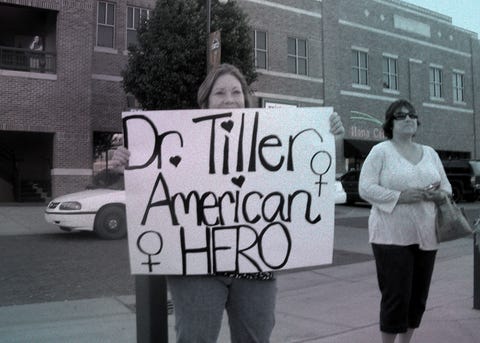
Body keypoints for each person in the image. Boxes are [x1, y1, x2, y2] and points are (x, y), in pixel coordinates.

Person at [112, 63, 345, 342]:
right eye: (219, 92)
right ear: (205, 102)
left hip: (255, 266)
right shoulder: (180, 145)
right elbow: (155, 188)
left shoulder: (272, 143)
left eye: (236, 92)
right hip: (197, 269)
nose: (229, 98)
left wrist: (329, 135)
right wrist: (130, 162)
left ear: (246, 101)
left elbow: (307, 176)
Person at [358, 99, 451, 343]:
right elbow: (365, 188)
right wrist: (400, 197)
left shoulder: (429, 153)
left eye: (412, 115)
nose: (408, 118)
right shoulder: (381, 151)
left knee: (418, 297)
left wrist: (438, 194)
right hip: (390, 235)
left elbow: (447, 187)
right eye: (401, 116)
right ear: (390, 123)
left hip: (426, 234)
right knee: (396, 296)